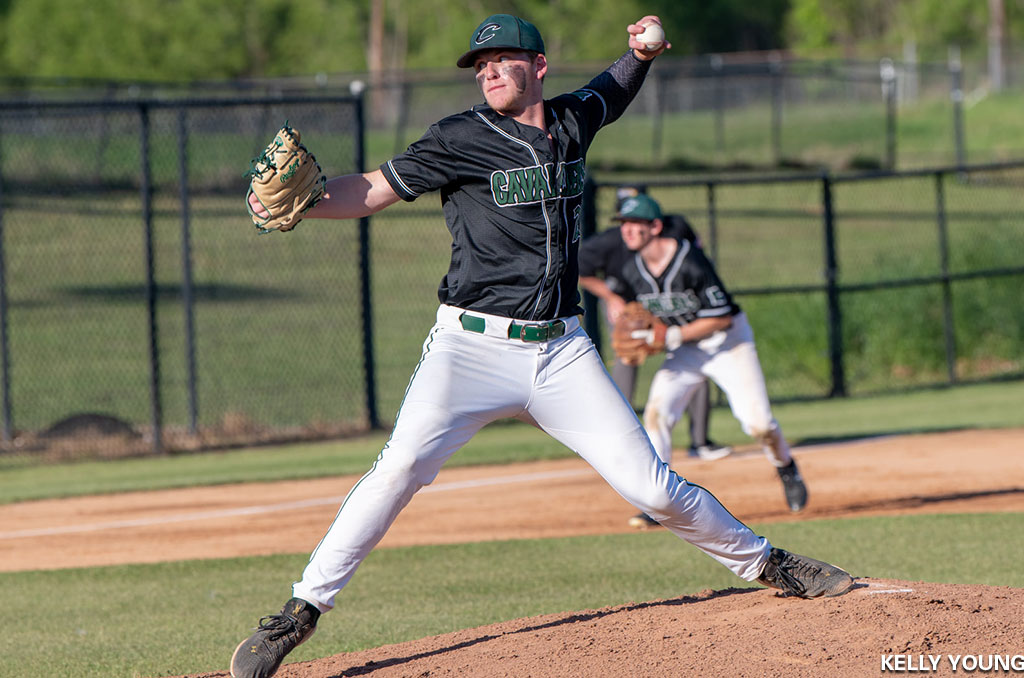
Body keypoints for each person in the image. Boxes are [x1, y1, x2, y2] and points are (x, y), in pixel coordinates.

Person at [231, 14, 852, 678]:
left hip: (562, 351)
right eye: (480, 63)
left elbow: (611, 90)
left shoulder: (571, 121)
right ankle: (297, 614)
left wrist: (641, 52)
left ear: (539, 65)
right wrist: (304, 204)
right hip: (469, 348)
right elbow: (375, 189)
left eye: (502, 58)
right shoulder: (459, 137)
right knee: (400, 468)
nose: (489, 70)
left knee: (652, 487)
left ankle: (767, 562)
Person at [603, 193, 809, 528]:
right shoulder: (631, 269)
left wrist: (669, 337)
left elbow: (723, 317)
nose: (626, 230)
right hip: (686, 350)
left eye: (635, 223)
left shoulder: (690, 261)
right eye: (623, 224)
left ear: (655, 227)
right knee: (657, 416)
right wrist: (627, 316)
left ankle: (785, 466)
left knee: (758, 423)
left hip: (727, 344)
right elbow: (638, 313)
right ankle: (657, 499)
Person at [579, 185, 732, 466]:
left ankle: (700, 441)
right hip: (630, 311)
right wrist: (611, 298)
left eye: (638, 217)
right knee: (627, 359)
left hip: (670, 306)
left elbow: (695, 260)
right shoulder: (610, 241)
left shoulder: (676, 229)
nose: (631, 225)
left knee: (693, 363)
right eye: (625, 218)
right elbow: (579, 270)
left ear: (654, 222)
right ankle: (618, 441)